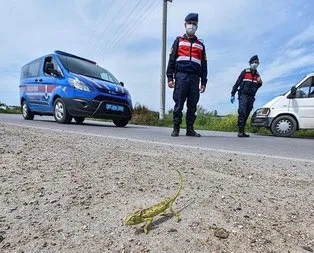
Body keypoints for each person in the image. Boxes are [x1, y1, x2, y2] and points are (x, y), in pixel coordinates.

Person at [166, 13, 208, 137]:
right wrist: (170, 78)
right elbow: (171, 61)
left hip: (195, 78)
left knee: (192, 105)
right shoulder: (178, 41)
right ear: (185, 24)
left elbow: (204, 65)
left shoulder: (201, 45)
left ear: (197, 27)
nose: (192, 26)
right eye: (190, 23)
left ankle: (190, 129)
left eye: (194, 24)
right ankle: (176, 128)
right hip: (181, 76)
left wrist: (204, 82)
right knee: (179, 103)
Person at [230, 55, 263, 137]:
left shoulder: (257, 75)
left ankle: (243, 131)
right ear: (250, 63)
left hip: (251, 97)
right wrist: (232, 94)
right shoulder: (245, 72)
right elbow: (237, 83)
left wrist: (260, 82)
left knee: (247, 112)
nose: (255, 64)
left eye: (256, 63)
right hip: (243, 95)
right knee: (242, 111)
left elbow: (258, 86)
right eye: (253, 62)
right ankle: (240, 131)